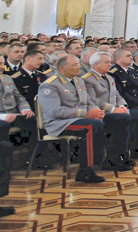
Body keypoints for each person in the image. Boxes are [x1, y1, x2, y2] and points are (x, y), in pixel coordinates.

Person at [37, 55, 107, 183]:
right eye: (74, 65)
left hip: (77, 119)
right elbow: (55, 111)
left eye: (78, 64)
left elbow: (88, 101)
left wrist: (95, 111)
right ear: (62, 68)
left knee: (101, 121)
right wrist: (85, 114)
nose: (78, 67)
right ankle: (85, 170)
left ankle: (101, 161)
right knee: (92, 126)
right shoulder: (50, 85)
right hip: (58, 123)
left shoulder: (78, 81)